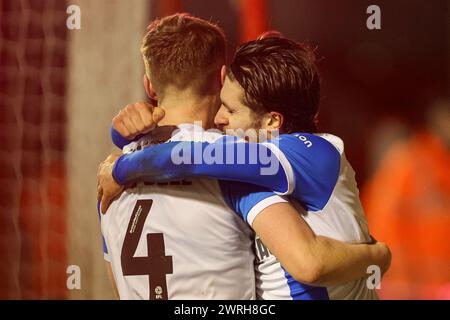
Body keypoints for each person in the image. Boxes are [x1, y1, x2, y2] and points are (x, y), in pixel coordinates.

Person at [98, 31, 390, 299]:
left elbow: (190, 156)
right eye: (222, 104)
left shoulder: (310, 155)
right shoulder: (246, 169)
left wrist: (122, 168)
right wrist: (123, 134)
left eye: (232, 109)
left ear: (273, 121)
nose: (219, 118)